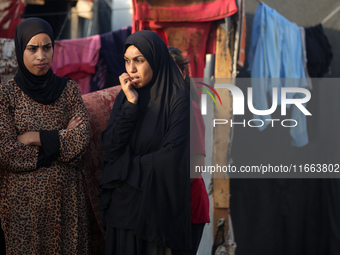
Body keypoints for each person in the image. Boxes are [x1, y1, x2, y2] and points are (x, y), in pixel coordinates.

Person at [0, 17, 91, 254]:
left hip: (68, 207)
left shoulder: (68, 89)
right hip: (24, 209)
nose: (41, 56)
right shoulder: (7, 95)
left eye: (47, 47)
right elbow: (7, 152)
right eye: (32, 49)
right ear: (22, 50)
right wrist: (61, 140)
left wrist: (33, 137)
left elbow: (81, 142)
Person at [100, 30, 191, 254]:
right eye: (127, 61)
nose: (131, 69)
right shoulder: (125, 96)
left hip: (155, 211)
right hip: (122, 209)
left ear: (155, 59)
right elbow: (111, 147)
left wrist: (124, 168)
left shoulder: (177, 99)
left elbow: (172, 155)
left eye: (139, 61)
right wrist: (131, 105)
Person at [168, 46, 210, 255]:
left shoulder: (189, 108)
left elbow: (196, 168)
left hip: (188, 207)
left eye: (175, 71)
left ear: (183, 74)